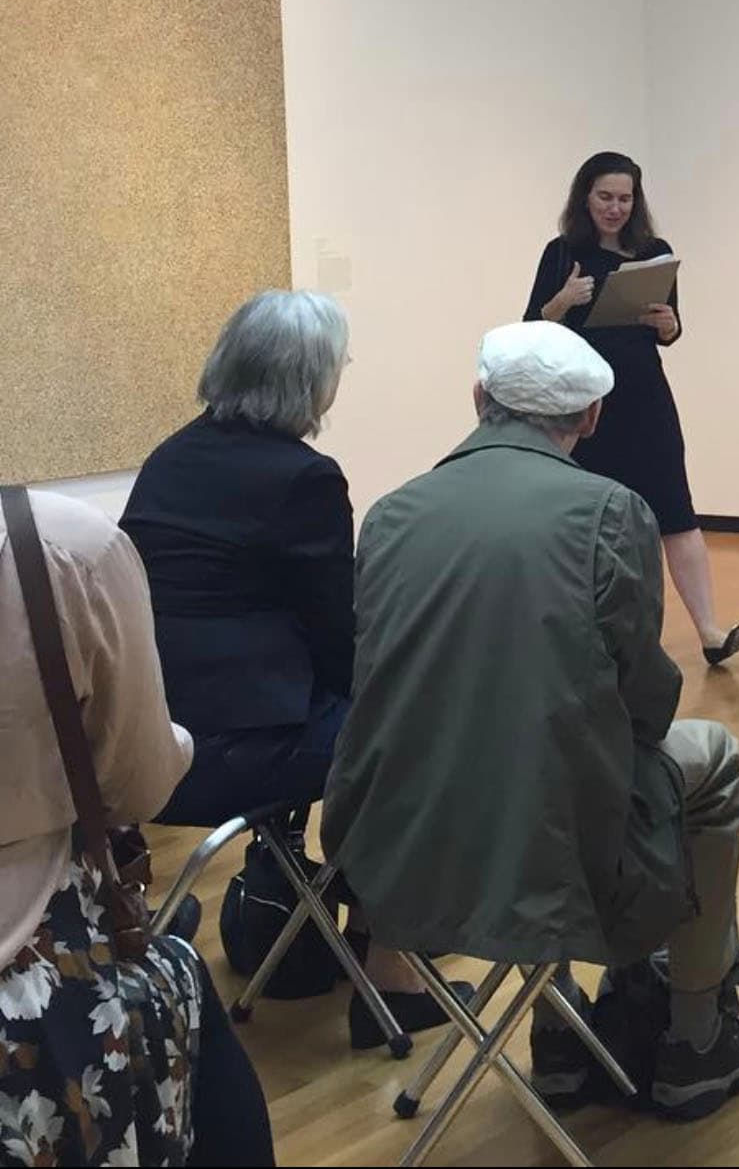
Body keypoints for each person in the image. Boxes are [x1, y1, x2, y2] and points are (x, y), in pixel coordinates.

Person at [320, 321, 739, 1120]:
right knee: (709, 760)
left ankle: (561, 1033)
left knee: (528, 748)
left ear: (478, 400)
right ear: (592, 418)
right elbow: (644, 703)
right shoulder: (610, 510)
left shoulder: (391, 512)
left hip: (395, 844)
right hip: (553, 846)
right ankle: (696, 1033)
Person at [0, 237, 275, 1166]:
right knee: (181, 997)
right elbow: (140, 782)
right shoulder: (56, 551)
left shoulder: (151, 480)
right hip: (10, 980)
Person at [118, 289, 442, 1047]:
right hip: (235, 754)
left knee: (361, 721)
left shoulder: (173, 454)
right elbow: (340, 634)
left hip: (149, 746)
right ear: (310, 381)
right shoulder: (305, 477)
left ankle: (316, 919)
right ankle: (387, 966)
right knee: (406, 737)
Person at [524, 151, 739, 666]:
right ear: (586, 196)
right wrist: (564, 300)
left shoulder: (655, 251)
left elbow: (671, 330)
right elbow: (532, 328)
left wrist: (667, 323)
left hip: (645, 397)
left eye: (625, 198)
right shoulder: (561, 253)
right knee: (586, 519)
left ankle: (711, 633)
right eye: (606, 196)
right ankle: (580, 633)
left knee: (676, 509)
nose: (615, 207)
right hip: (584, 403)